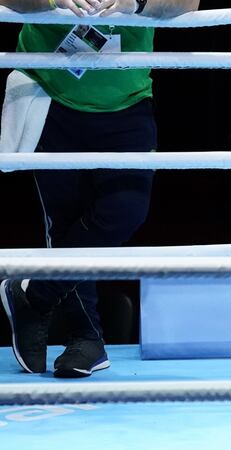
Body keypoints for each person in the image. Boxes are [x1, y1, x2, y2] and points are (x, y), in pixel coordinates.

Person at [0, 0, 199, 378]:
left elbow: (187, 4)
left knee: (126, 210)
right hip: (50, 93)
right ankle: (86, 340)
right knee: (66, 222)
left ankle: (34, 296)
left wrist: (137, 3)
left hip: (127, 100)